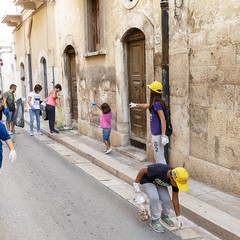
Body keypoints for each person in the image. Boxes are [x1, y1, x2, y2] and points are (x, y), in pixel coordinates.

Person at [133, 163, 189, 233]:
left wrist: (178, 216)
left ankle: (164, 216)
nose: (177, 186)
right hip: (148, 181)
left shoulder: (175, 181)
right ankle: (154, 220)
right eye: (177, 183)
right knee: (154, 198)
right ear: (171, 178)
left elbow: (175, 199)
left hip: (159, 184)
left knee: (166, 199)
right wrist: (136, 183)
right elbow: (143, 170)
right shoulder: (159, 170)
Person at [129, 81, 168, 164]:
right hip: (156, 133)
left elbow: (163, 119)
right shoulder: (155, 102)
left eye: (150, 89)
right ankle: (161, 172)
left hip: (158, 134)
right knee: (158, 155)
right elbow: (147, 105)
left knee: (158, 156)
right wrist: (136, 105)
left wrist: (163, 136)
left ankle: (163, 174)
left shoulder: (157, 104)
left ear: (153, 92)